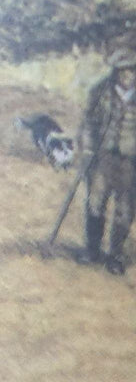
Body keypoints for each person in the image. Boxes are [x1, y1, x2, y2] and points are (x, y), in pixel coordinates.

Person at [78, 46, 136, 274]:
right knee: (96, 202)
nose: (128, 75)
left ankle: (115, 256)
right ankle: (91, 250)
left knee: (125, 209)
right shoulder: (101, 91)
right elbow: (88, 124)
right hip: (103, 157)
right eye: (124, 70)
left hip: (130, 163)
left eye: (132, 70)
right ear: (116, 72)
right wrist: (88, 151)